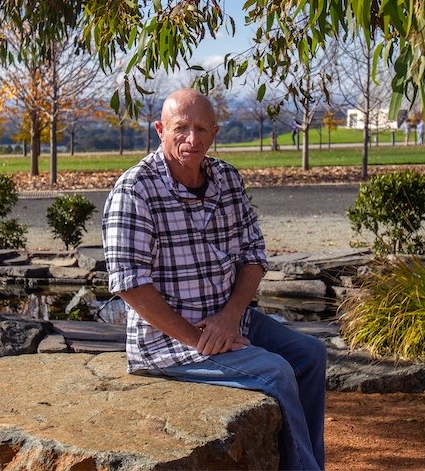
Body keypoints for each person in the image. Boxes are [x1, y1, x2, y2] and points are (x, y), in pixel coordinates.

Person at [102, 88, 327, 470]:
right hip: (170, 344)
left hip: (231, 320)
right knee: (277, 372)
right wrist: (199, 340)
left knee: (311, 355)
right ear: (160, 129)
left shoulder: (226, 178)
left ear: (215, 133)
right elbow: (129, 283)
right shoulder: (135, 189)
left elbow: (253, 254)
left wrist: (228, 317)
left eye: (202, 129)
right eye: (181, 128)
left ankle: (309, 462)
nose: (193, 139)